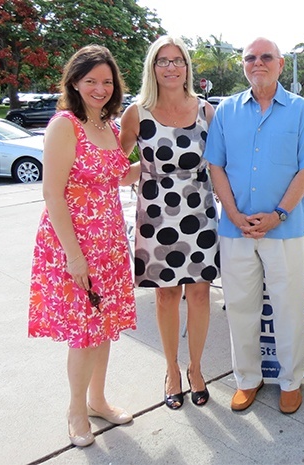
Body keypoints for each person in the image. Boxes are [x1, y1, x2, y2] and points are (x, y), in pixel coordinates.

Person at [204, 37, 304, 415]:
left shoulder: (300, 110)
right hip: (236, 230)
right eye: (251, 58)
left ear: (279, 62)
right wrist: (234, 214)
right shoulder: (227, 111)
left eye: (266, 57)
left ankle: (291, 382)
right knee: (240, 308)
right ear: (244, 65)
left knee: (288, 307)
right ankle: (247, 380)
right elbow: (216, 166)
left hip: (285, 230)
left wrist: (279, 215)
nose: (258, 63)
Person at [28, 45, 140, 448]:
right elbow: (52, 194)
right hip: (74, 244)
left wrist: (157, 161)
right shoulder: (65, 125)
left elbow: (115, 176)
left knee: (105, 327)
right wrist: (74, 256)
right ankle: (76, 410)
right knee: (84, 332)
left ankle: (98, 400)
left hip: (110, 241)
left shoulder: (107, 125)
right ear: (74, 81)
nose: (100, 88)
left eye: (107, 81)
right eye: (91, 80)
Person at [119, 36, 219, 410]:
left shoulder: (206, 111)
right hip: (157, 216)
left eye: (178, 60)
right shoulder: (137, 113)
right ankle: (171, 369)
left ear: (187, 67)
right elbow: (117, 164)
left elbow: (221, 165)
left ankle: (196, 368)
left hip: (199, 214)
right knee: (165, 295)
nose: (172, 67)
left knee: (199, 293)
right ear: (153, 67)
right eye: (163, 60)